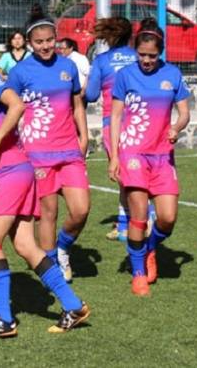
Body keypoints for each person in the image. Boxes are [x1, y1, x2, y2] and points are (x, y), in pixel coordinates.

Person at [0, 30, 90, 338]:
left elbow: (17, 106)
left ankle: (3, 319)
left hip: (9, 172)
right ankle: (73, 305)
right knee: (26, 245)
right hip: (20, 170)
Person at [7, 6, 90, 283]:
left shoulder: (68, 66)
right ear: (30, 43)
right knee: (48, 213)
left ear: (57, 38)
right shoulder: (19, 72)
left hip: (69, 150)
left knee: (81, 210)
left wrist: (84, 135)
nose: (45, 46)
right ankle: (52, 266)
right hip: (37, 154)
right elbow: (9, 109)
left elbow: (77, 104)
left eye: (49, 40)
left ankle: (63, 247)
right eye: (39, 42)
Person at [108, 18, 190, 296]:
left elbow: (184, 113)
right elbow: (116, 115)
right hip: (133, 152)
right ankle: (139, 272)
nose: (146, 60)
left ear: (161, 52)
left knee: (167, 218)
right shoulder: (125, 76)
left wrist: (176, 127)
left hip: (162, 155)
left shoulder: (173, 75)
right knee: (139, 216)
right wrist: (115, 156)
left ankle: (150, 248)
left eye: (152, 56)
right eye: (141, 55)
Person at [85, 17, 138, 242]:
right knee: (132, 173)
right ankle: (124, 223)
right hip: (139, 121)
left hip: (113, 122)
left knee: (125, 175)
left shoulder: (102, 61)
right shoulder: (139, 57)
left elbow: (90, 95)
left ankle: (141, 219)